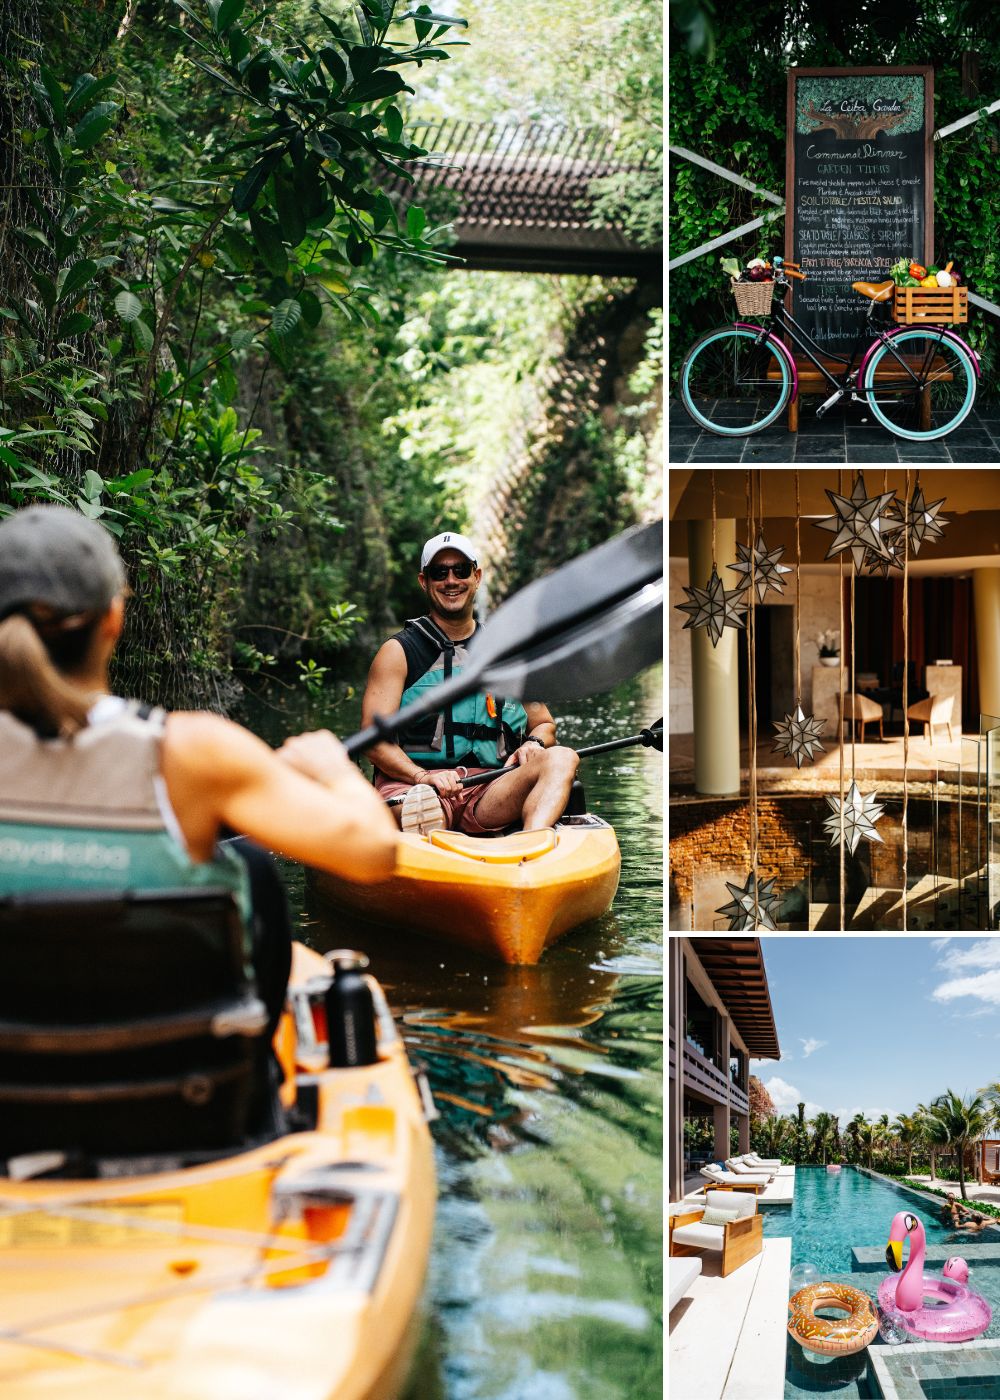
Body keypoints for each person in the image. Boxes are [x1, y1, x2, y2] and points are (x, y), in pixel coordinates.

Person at [0, 505, 399, 1040]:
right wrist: (334, 769)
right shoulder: (195, 753)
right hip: (187, 1104)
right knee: (253, 865)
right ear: (113, 620)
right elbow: (375, 853)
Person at [362, 531, 579, 835]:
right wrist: (422, 776)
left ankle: (532, 845)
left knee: (563, 758)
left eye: (461, 571)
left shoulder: (506, 653)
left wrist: (534, 744)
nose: (451, 580)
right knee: (422, 808)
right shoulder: (398, 653)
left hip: (490, 791)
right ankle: (427, 834)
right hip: (415, 787)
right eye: (440, 573)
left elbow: (544, 724)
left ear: (476, 577)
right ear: (424, 581)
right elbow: (374, 741)